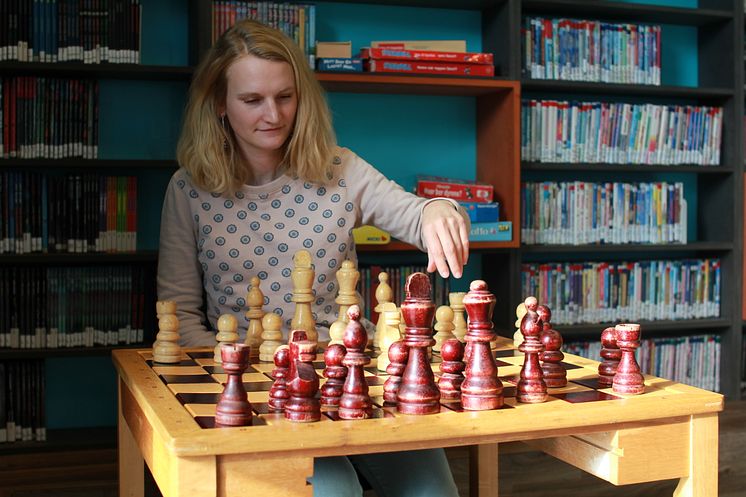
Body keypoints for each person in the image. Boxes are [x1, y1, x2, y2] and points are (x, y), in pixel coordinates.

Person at [158, 18, 469, 497]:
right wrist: (243, 385)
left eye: (285, 96)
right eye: (252, 100)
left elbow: (412, 212)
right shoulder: (188, 188)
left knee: (435, 492)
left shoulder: (340, 168)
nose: (273, 114)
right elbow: (180, 316)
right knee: (333, 490)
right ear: (219, 104)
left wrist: (438, 209)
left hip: (350, 376)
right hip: (255, 386)